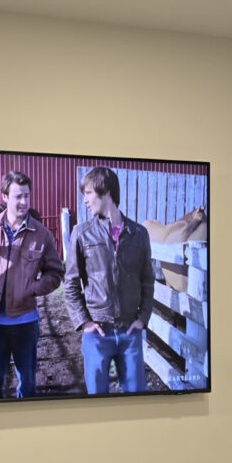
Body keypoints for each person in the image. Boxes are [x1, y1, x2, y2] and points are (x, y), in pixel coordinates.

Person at [0, 170, 64, 399]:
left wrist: (33, 289)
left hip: (26, 322)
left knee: (27, 382)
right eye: (18, 196)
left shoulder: (41, 234)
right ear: (5, 197)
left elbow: (55, 272)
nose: (23, 202)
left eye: (27, 196)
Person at [64, 166, 154, 395]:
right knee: (97, 399)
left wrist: (143, 318)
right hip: (97, 334)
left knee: (138, 398)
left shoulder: (139, 234)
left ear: (106, 192)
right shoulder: (82, 234)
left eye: (88, 193)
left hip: (130, 332)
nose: (84, 200)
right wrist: (84, 322)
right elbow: (71, 284)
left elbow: (147, 280)